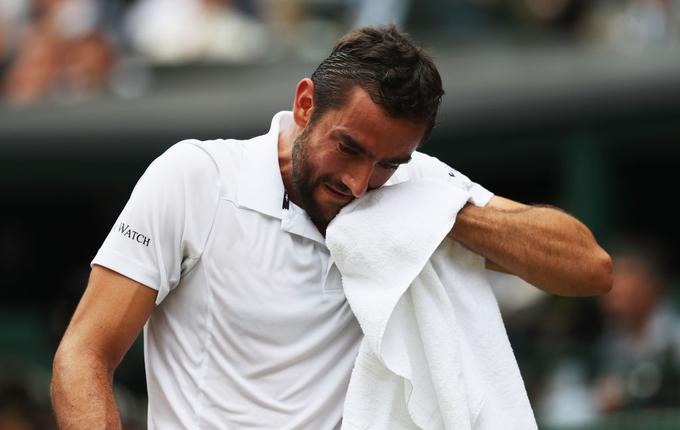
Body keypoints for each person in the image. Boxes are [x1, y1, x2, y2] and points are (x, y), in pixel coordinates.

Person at [51, 25, 612, 429]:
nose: (360, 182)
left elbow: (589, 268)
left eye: (389, 162)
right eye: (349, 147)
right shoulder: (195, 178)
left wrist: (443, 211)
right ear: (304, 105)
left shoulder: (415, 191)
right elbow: (83, 354)